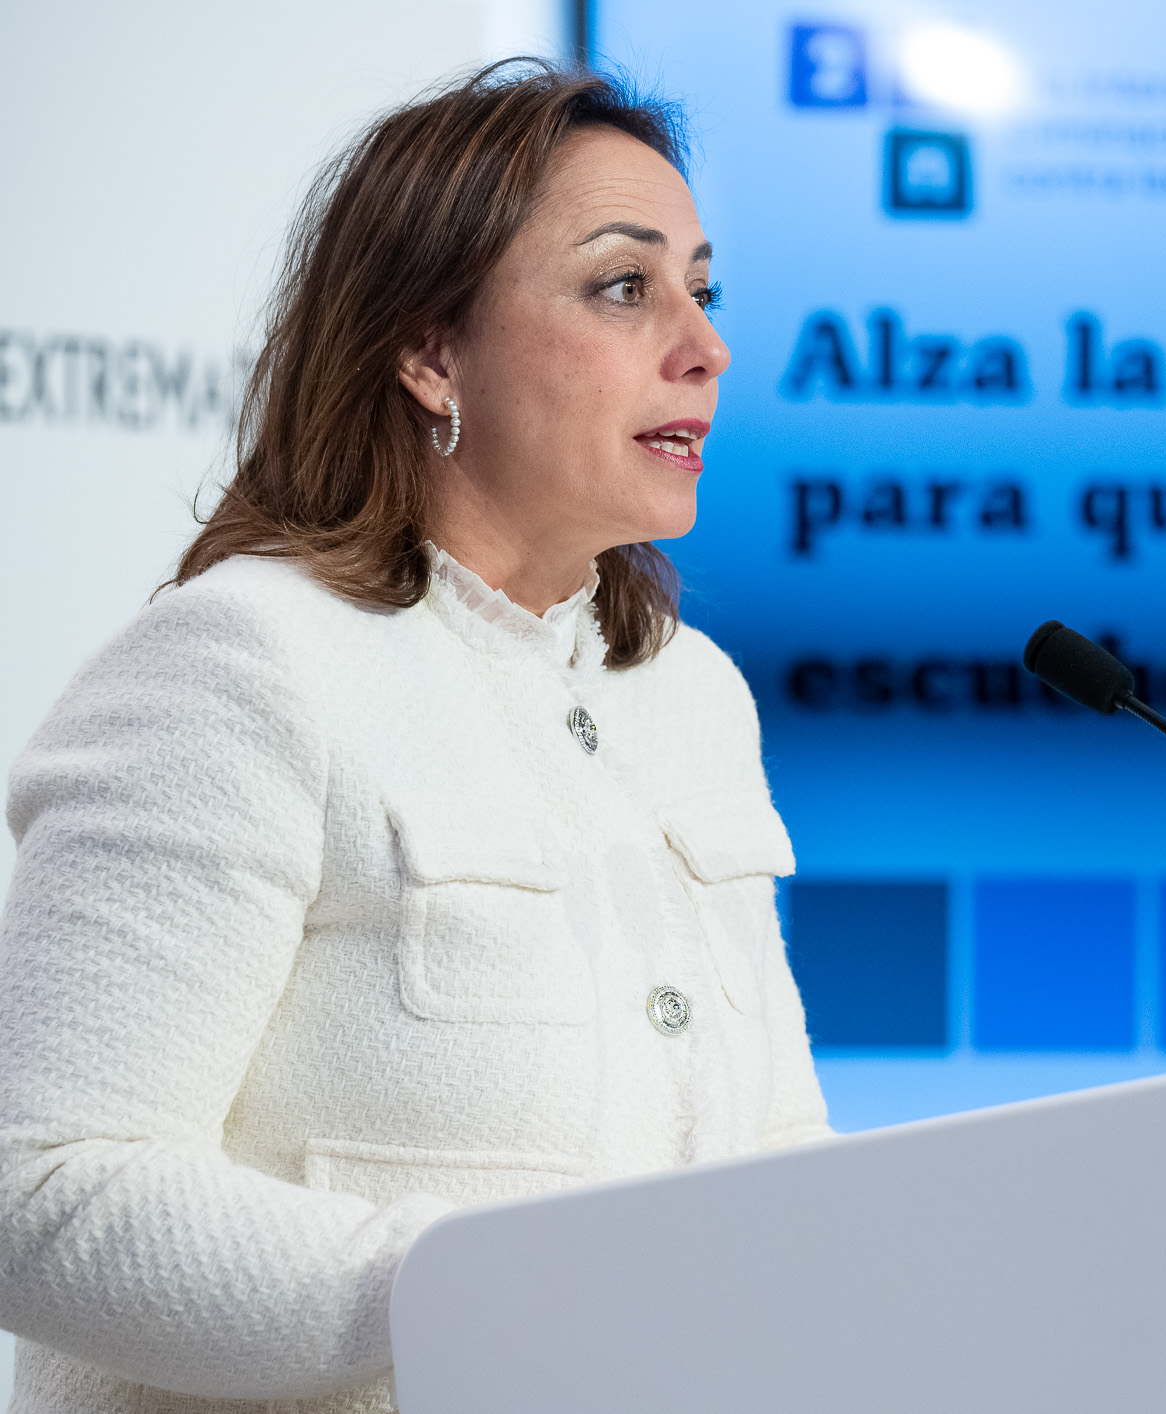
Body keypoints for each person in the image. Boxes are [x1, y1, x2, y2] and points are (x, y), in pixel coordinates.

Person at [0, 60, 829, 1413]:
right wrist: (490, 1292)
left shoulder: (692, 696)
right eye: (625, 288)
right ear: (431, 350)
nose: (704, 344)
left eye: (703, 288)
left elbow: (777, 1157)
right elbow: (41, 1190)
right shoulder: (246, 665)